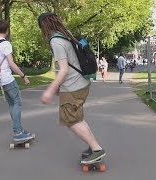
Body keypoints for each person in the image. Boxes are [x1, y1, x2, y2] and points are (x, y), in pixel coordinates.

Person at [38, 12, 106, 164]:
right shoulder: (66, 34)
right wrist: (57, 87)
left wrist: (49, 90)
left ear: (44, 27)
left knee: (71, 120)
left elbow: (63, 70)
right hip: (81, 83)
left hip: (72, 87)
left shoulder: (56, 41)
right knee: (77, 119)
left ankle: (97, 149)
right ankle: (92, 146)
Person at [0, 20, 33, 142]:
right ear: (7, 30)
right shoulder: (5, 44)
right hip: (6, 78)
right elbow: (11, 64)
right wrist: (23, 76)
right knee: (17, 103)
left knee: (12, 104)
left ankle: (19, 129)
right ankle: (18, 132)